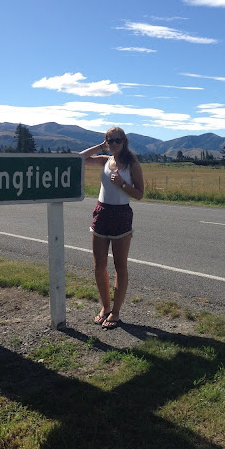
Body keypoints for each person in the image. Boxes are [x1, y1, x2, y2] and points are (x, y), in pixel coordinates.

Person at [79, 127, 144, 329]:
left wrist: (123, 184)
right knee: (99, 265)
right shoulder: (105, 160)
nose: (114, 144)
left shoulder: (132, 164)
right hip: (101, 212)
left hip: (121, 214)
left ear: (124, 142)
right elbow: (80, 158)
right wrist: (101, 146)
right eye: (110, 140)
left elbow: (140, 194)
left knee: (120, 266)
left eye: (117, 140)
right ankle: (105, 307)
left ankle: (115, 312)